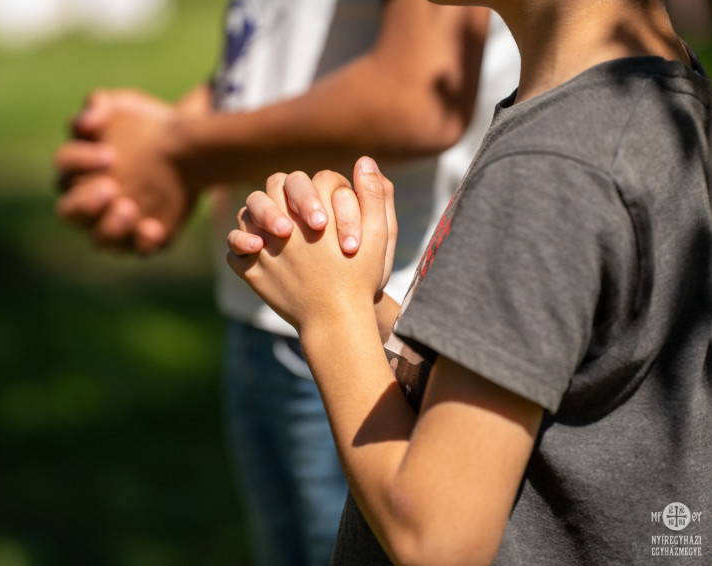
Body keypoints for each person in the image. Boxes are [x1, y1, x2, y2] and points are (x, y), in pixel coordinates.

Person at [227, 0, 712, 564]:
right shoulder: (652, 102)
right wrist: (357, 300)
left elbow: (435, 538)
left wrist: (331, 317)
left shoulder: (554, 168)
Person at [54, 1, 520, 564]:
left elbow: (420, 95)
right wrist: (157, 144)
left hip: (370, 331)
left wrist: (180, 149)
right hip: (277, 305)